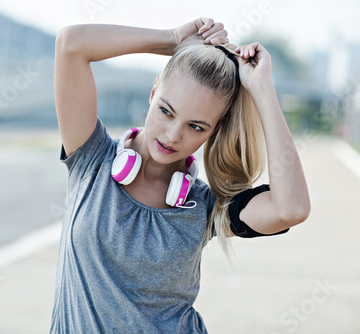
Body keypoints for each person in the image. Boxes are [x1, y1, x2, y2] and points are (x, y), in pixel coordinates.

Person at [50, 17, 310, 333]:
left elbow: (291, 209)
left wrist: (262, 89)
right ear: (153, 90)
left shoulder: (204, 207)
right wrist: (171, 39)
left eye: (196, 126)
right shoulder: (92, 159)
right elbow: (71, 43)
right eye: (166, 111)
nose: (173, 135)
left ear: (216, 129)